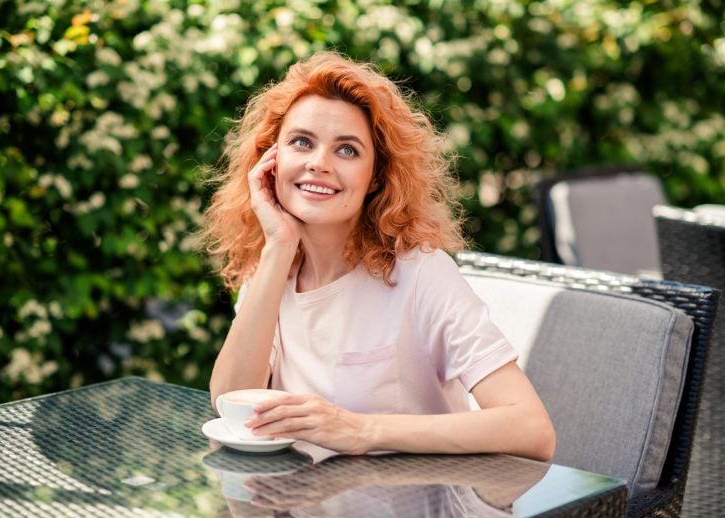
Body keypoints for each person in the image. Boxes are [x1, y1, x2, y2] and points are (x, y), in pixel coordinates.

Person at [201, 51, 555, 461]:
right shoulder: (271, 268)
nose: (319, 164)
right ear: (271, 161)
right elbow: (229, 400)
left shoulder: (420, 272)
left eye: (347, 150)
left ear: (375, 177)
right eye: (302, 142)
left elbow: (532, 428)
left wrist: (361, 430)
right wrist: (279, 246)